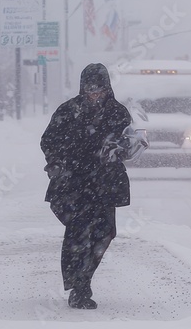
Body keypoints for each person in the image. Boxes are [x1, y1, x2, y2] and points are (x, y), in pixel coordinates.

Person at [41, 63, 132, 309]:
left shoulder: (118, 113)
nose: (94, 94)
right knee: (79, 234)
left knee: (104, 233)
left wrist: (121, 149)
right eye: (90, 89)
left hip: (105, 184)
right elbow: (48, 140)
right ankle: (79, 288)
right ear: (83, 88)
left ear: (107, 88)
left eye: (99, 89)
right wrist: (56, 161)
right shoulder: (68, 110)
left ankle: (84, 279)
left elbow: (128, 141)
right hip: (74, 183)